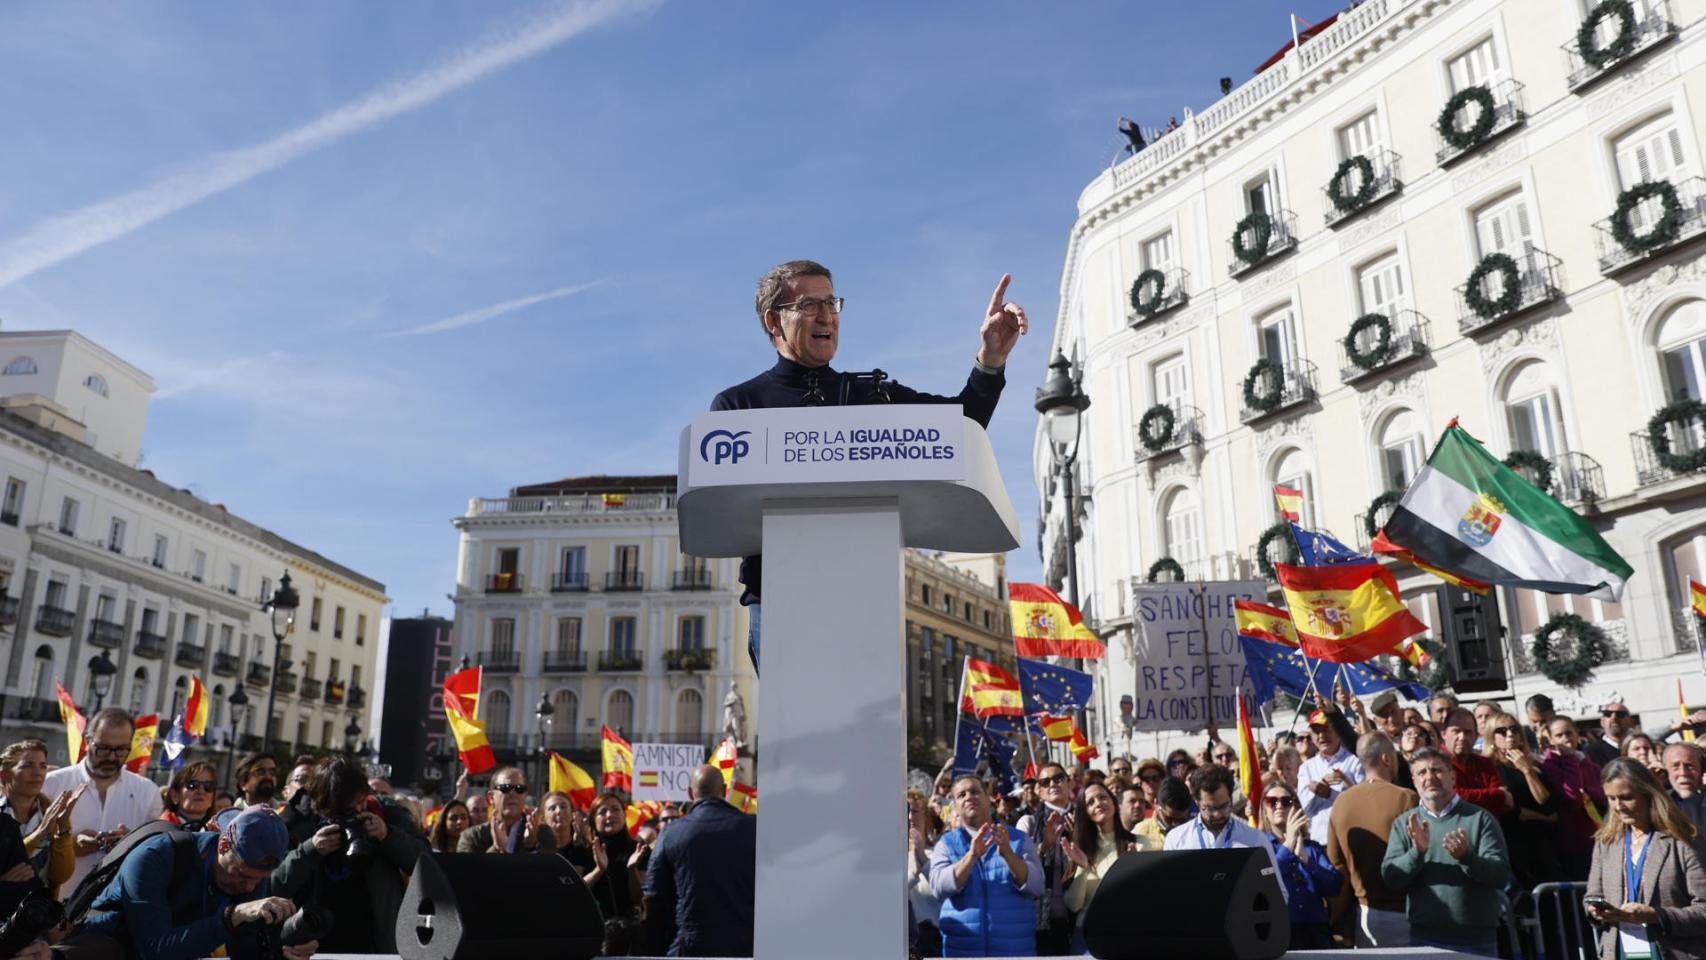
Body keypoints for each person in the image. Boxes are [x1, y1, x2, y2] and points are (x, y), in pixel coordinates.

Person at [709, 261, 1027, 673]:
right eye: (809, 304)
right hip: (777, 600)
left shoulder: (871, 398)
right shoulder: (737, 408)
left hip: (864, 599)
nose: (827, 315)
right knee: (794, 733)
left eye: (832, 303)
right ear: (774, 320)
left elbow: (961, 427)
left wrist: (991, 358)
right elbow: (724, 510)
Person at [68, 805, 312, 960]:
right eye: (243, 875)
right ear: (223, 845)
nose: (250, 887)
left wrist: (284, 948)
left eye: (259, 880)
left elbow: (243, 947)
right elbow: (156, 949)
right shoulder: (155, 857)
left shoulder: (250, 871)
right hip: (106, 948)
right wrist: (232, 917)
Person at [271, 757, 430, 954]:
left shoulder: (384, 811)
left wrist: (387, 835)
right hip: (311, 942)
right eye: (343, 812)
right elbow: (273, 884)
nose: (355, 814)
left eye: (361, 804)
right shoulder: (294, 821)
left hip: (375, 942)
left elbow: (427, 864)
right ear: (320, 805)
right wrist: (310, 849)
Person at [1381, 747, 1511, 956]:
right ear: (1414, 781)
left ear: (1452, 777)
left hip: (1477, 941)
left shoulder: (1480, 819)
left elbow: (1500, 875)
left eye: (1436, 770)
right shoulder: (1405, 823)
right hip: (1426, 940)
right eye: (1422, 772)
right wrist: (1416, 852)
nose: (1430, 777)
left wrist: (1466, 857)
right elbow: (1391, 877)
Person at [1585, 757, 1706, 960]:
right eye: (1611, 798)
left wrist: (1656, 915)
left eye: (1626, 797)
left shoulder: (1684, 840)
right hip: (1619, 951)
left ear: (1648, 794)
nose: (1618, 806)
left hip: (1674, 952)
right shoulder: (1606, 842)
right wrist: (1594, 909)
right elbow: (1592, 894)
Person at [42, 708, 164, 896]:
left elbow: (157, 855)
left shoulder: (147, 792)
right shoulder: (51, 784)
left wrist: (131, 843)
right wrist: (68, 846)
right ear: (87, 741)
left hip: (116, 910)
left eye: (121, 750)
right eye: (104, 748)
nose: (112, 757)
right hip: (58, 906)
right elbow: (30, 852)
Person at [643, 765, 756, 957]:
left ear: (689, 792)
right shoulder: (753, 828)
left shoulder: (671, 833)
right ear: (725, 789)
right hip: (745, 944)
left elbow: (653, 895)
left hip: (692, 945)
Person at [927, 775, 1042, 957]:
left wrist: (1008, 854)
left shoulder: (1018, 839)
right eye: (961, 795)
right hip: (963, 952)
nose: (969, 797)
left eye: (974, 791)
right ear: (955, 806)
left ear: (988, 797)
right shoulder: (946, 844)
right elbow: (938, 888)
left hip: (1015, 951)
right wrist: (971, 856)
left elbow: (1037, 885)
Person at [1328, 733, 1418, 948]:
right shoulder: (1406, 798)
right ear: (1386, 758)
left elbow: (1336, 862)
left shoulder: (1341, 802)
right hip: (1404, 911)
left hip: (1364, 911)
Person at [1163, 766, 1282, 886]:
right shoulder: (1176, 839)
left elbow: (1278, 892)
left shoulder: (1255, 840)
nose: (1218, 814)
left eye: (1224, 806)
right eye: (1210, 808)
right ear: (1196, 801)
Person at [1257, 781, 1341, 949]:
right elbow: (1266, 881)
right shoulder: (1260, 847)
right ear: (1265, 812)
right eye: (1272, 802)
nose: (1279, 806)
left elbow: (1335, 886)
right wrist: (1288, 846)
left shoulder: (1312, 847)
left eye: (1286, 801)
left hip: (1317, 934)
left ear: (1295, 807)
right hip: (1280, 933)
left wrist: (1306, 859)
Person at [1484, 710, 1560, 888]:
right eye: (1501, 731)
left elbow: (1548, 805)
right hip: (1512, 846)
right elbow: (1511, 812)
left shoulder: (1533, 766)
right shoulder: (1490, 768)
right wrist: (1544, 818)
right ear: (1492, 737)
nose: (1510, 734)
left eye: (1514, 729)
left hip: (1542, 845)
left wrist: (1526, 771)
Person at [0, 740, 79, 900]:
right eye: (27, 765)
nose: (38, 773)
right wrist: (40, 834)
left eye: (43, 766)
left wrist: (63, 830)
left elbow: (60, 877)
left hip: (38, 915)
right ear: (5, 775)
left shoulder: (51, 813)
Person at [1060, 783, 1134, 948]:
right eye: (1090, 802)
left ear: (1114, 803)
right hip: (1087, 938)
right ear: (1084, 812)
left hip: (1127, 935)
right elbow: (1073, 905)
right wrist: (1083, 866)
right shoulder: (1077, 850)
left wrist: (1134, 868)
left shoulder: (1138, 844)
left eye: (1102, 797)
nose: (1098, 803)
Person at [1013, 762, 1075, 955]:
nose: (1052, 784)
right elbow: (1018, 869)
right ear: (1039, 790)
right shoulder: (1028, 822)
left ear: (1069, 783)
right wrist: (1043, 846)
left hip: (1077, 918)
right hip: (1039, 920)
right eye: (1045, 782)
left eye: (1058, 778)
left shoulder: (1083, 818)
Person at [584, 792, 650, 954]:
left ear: (624, 814)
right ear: (593, 819)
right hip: (592, 932)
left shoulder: (640, 850)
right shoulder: (583, 851)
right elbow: (576, 892)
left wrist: (632, 869)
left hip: (630, 935)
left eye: (615, 809)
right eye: (602, 812)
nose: (609, 815)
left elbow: (640, 899)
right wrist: (599, 870)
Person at [1547, 717, 1610, 880]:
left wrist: (1588, 792)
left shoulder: (1588, 763)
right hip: (1570, 843)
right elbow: (1572, 794)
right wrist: (1569, 759)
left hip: (1596, 837)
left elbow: (1604, 795)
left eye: (1569, 733)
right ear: (1550, 739)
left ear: (1576, 734)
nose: (1565, 739)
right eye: (1559, 735)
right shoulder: (1549, 764)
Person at [1298, 709, 1363, 842]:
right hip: (1321, 840)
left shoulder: (1354, 761)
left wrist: (1331, 795)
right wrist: (1316, 792)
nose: (1321, 736)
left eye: (1326, 729)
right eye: (1316, 731)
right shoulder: (1306, 768)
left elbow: (1363, 801)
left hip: (1353, 839)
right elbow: (1305, 809)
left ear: (1337, 731)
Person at [1439, 707, 1510, 819]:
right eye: (1456, 731)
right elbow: (1451, 797)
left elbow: (1501, 806)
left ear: (1476, 736)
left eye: (1468, 732)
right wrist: (1498, 794)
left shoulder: (1485, 764)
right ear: (1443, 734)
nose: (1462, 737)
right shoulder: (1435, 764)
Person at [456, 768, 544, 854]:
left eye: (519, 788)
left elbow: (548, 867)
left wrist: (531, 847)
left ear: (525, 795)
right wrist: (496, 849)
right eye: (505, 788)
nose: (513, 794)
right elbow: (466, 868)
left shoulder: (542, 833)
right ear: (491, 797)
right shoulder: (471, 836)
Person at [907, 790, 945, 957]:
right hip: (905, 942)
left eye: (914, 811)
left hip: (935, 940)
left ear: (926, 817)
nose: (909, 817)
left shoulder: (940, 851)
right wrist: (913, 874)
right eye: (904, 811)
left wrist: (923, 859)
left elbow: (945, 890)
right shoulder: (890, 858)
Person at [159, 762, 221, 832]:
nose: (201, 791)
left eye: (208, 786)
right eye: (192, 785)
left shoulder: (224, 833)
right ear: (175, 795)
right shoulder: (160, 830)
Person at [1668, 742, 1706, 832]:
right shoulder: (1660, 803)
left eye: (1690, 766)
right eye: (1675, 766)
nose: (1683, 773)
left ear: (1702, 770)